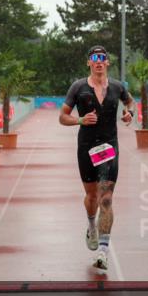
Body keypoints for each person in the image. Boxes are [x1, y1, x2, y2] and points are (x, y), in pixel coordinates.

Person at [59, 46, 135, 272]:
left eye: (103, 58)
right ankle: (91, 224)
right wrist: (80, 121)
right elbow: (62, 117)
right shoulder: (78, 87)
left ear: (108, 63)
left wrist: (129, 112)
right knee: (92, 197)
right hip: (86, 147)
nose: (99, 62)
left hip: (108, 147)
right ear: (89, 63)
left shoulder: (118, 87)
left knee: (107, 199)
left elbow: (130, 102)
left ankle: (103, 252)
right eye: (95, 58)